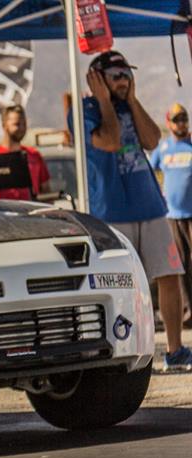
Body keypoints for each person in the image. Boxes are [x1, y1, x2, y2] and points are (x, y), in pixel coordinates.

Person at [71, 50, 191, 371]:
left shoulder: (130, 106)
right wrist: (105, 102)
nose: (124, 80)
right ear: (97, 78)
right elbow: (110, 141)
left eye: (127, 74)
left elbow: (151, 140)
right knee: (119, 283)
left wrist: (133, 100)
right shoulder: (85, 111)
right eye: (116, 76)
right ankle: (122, 353)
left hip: (150, 206)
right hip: (112, 212)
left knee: (170, 275)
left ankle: (176, 350)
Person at [149, 103, 192, 326]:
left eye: (184, 119)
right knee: (180, 264)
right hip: (172, 216)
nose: (181, 123)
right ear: (169, 123)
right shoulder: (163, 149)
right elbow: (150, 171)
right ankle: (188, 310)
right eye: (176, 120)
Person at [0, 105, 51, 200]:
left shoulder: (34, 155)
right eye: (17, 124)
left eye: (24, 124)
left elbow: (46, 191)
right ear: (4, 125)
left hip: (31, 208)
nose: (22, 128)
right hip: (4, 209)